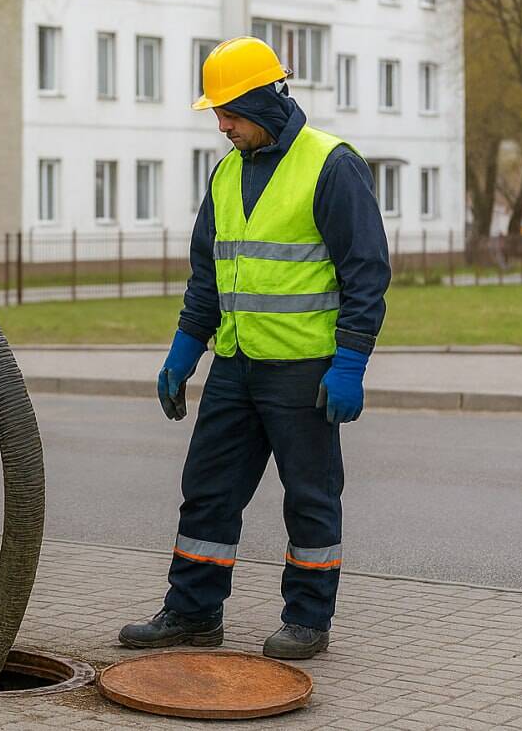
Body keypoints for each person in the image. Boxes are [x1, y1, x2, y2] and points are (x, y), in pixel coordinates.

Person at [118, 37, 391, 660]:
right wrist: (185, 349)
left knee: (310, 496)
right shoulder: (227, 173)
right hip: (236, 366)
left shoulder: (332, 165)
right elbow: (207, 273)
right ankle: (192, 613)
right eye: (217, 113)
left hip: (305, 371)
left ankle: (307, 620)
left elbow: (366, 272)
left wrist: (350, 364)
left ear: (265, 102)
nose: (222, 125)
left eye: (230, 112)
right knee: (208, 489)